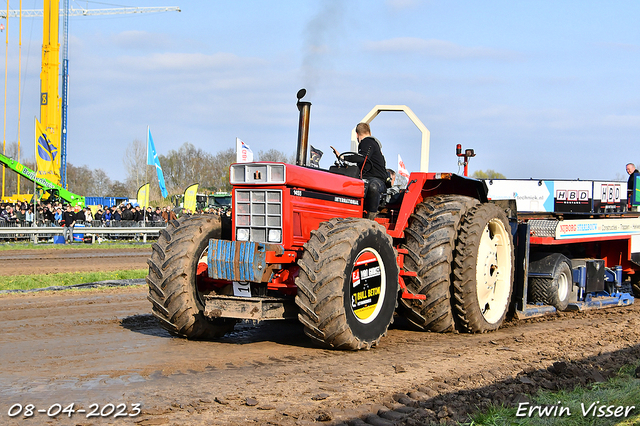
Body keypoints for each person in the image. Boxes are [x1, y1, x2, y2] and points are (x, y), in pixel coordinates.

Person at [331, 122, 388, 219]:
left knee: (372, 186)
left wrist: (343, 157)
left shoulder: (367, 142)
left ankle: (370, 218)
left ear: (357, 134)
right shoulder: (375, 144)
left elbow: (361, 158)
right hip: (375, 179)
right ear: (369, 132)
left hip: (376, 181)